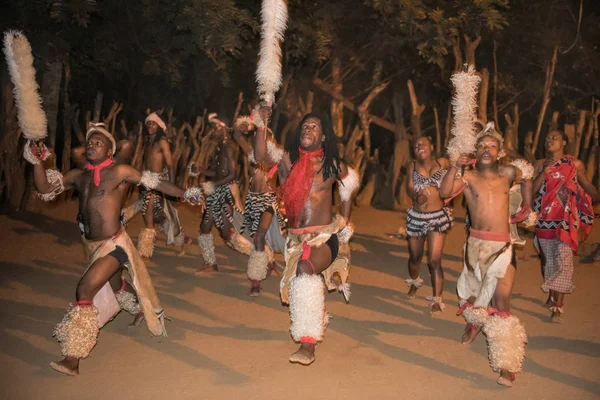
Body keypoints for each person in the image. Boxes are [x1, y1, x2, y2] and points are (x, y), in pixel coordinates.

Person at [24, 123, 203, 376]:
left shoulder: (119, 171)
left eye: (98, 143)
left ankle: (73, 357)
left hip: (115, 244)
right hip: (91, 246)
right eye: (89, 142)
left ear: (110, 150)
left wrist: (187, 194)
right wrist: (36, 161)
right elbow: (45, 188)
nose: (91, 145)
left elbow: (156, 183)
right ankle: (141, 307)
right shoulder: (79, 176)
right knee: (116, 285)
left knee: (85, 288)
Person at [255, 110, 359, 365]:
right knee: (301, 277)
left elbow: (350, 185)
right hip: (295, 239)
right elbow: (260, 156)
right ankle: (314, 318)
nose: (307, 129)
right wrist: (261, 123)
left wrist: (345, 220)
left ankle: (308, 343)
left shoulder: (332, 164)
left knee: (305, 269)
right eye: (304, 126)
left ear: (323, 136)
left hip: (324, 236)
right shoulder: (287, 161)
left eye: (314, 126)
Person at [439, 123, 532, 387]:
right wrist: (456, 165)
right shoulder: (468, 177)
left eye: (492, 145)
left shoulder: (507, 172)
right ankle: (474, 324)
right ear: (475, 151)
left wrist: (526, 204)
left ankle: (507, 365)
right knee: (473, 297)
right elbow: (445, 192)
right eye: (481, 145)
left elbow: (527, 175)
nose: (487, 149)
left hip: (502, 246)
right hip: (475, 248)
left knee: (502, 301)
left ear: (500, 151)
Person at [532, 129, 600, 322]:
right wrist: (542, 173)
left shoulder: (574, 164)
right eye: (547, 138)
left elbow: (586, 185)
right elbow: (533, 191)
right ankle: (552, 294)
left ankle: (557, 307)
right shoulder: (539, 164)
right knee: (548, 261)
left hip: (566, 220)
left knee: (564, 260)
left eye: (555, 138)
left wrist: (597, 196)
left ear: (564, 143)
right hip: (545, 218)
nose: (550, 140)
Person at [231, 108, 286, 296]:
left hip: (268, 202)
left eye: (266, 138)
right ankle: (266, 262)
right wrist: (247, 124)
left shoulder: (277, 158)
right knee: (256, 239)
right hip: (252, 201)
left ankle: (256, 280)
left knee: (260, 235)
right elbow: (237, 134)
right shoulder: (252, 154)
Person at [190, 113, 253, 272]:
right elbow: (218, 172)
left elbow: (232, 175)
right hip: (216, 190)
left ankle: (260, 253)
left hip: (225, 192)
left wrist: (211, 184)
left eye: (215, 126)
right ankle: (210, 263)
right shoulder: (220, 146)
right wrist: (202, 170)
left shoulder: (229, 147)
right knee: (204, 227)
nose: (213, 130)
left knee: (226, 232)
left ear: (224, 128)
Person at [404, 136, 452, 315]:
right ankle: (414, 281)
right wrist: (416, 197)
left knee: (434, 260)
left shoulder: (443, 162)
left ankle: (437, 299)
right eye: (416, 145)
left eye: (423, 143)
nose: (420, 146)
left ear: (431, 146)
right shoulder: (412, 166)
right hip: (417, 216)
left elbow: (458, 171)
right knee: (415, 257)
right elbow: (409, 187)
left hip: (437, 217)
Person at [137, 113, 190, 258]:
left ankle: (145, 252)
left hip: (159, 183)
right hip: (146, 181)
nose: (150, 126)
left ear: (159, 126)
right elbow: (145, 163)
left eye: (153, 124)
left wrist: (171, 187)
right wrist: (140, 179)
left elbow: (171, 165)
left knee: (148, 214)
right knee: (156, 215)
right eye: (148, 124)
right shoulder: (148, 142)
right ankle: (180, 237)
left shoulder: (162, 142)